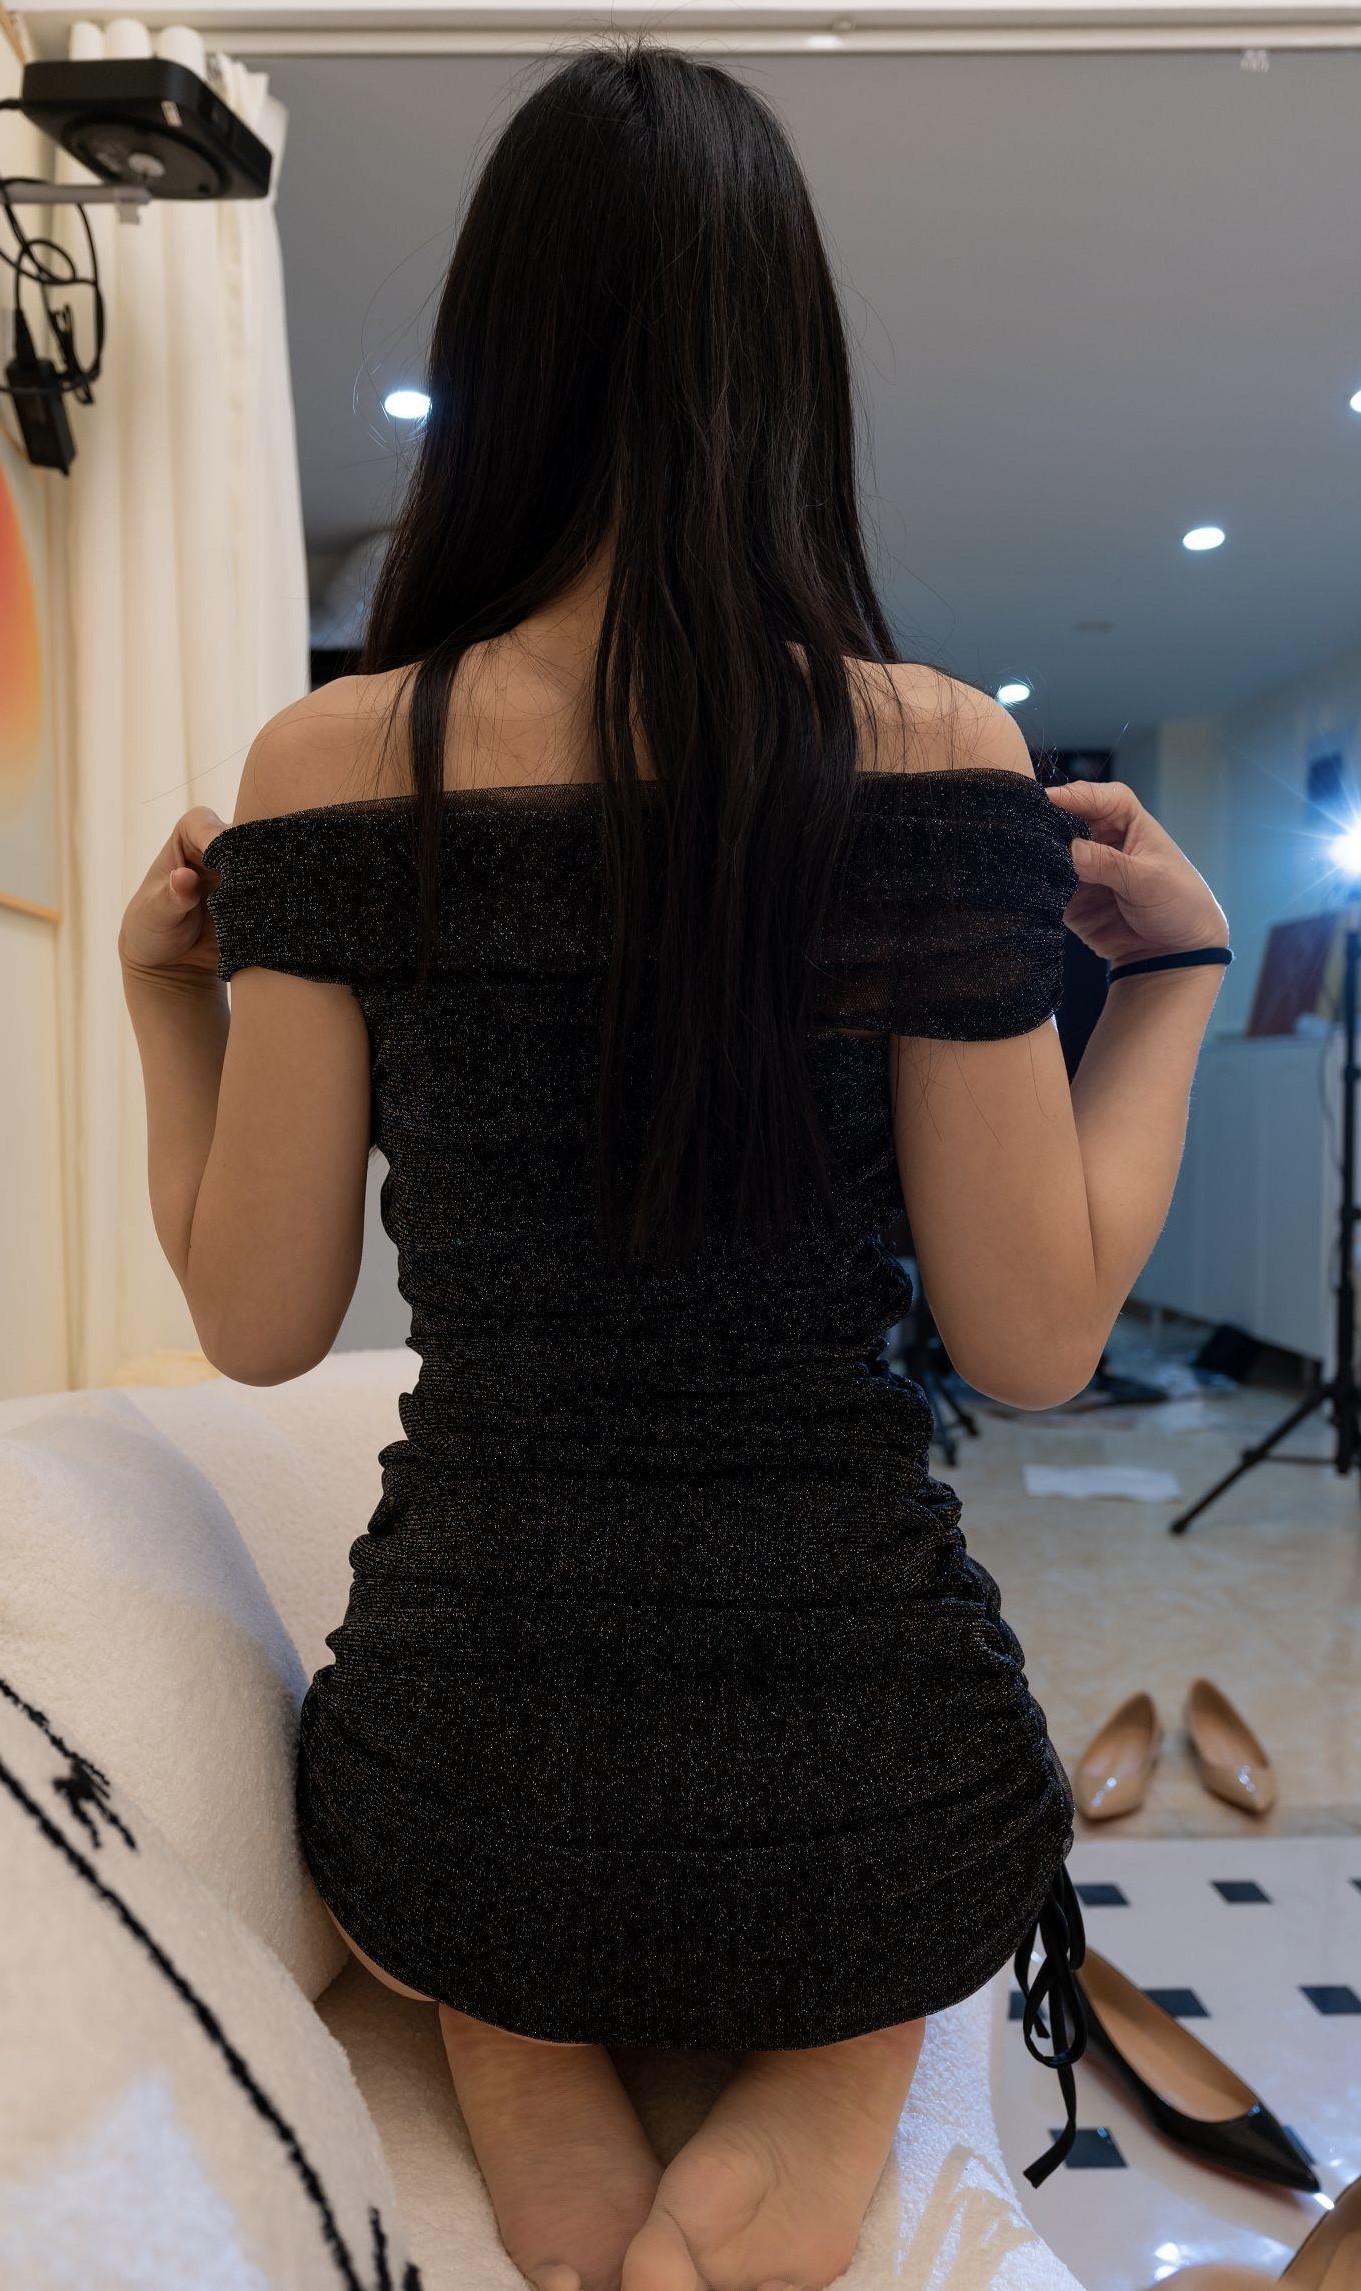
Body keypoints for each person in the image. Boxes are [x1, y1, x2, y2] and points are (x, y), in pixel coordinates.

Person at [118, 37, 1232, 2291]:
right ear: (783, 366)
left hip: (467, 1777)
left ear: (495, 365)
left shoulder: (330, 766)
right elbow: (1034, 1343)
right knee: (866, 1963)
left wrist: (172, 1008)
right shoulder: (928, 750)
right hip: (862, 1783)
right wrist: (1177, 982)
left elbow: (254, 1326)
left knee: (491, 1948)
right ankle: (791, 2120)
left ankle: (532, 2064)